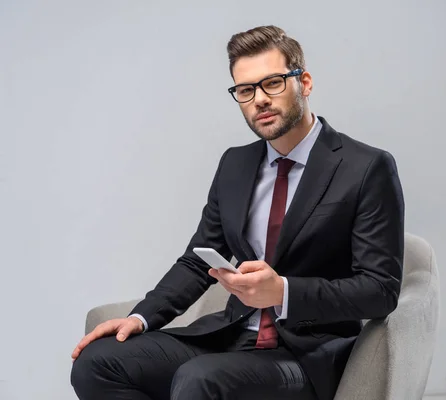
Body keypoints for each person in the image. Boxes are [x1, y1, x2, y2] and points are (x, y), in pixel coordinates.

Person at [70, 25, 405, 400]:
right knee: (96, 363)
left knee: (200, 379)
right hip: (229, 336)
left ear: (304, 83)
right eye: (246, 90)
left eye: (272, 83)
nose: (259, 99)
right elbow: (197, 262)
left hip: (306, 354)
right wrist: (140, 317)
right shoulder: (235, 164)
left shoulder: (366, 167)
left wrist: (282, 291)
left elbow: (380, 289)